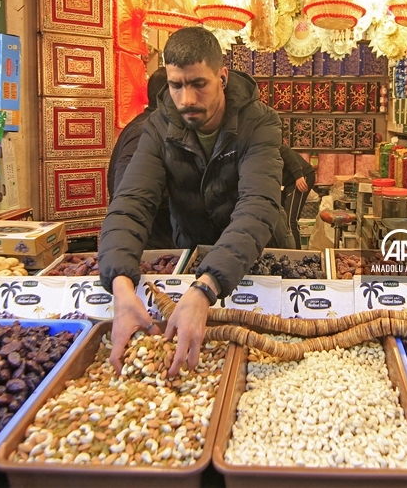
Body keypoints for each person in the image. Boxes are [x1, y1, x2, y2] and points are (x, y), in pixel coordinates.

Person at [98, 27, 288, 377]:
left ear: (222, 76)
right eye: (176, 85)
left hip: (257, 258)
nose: (186, 99)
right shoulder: (159, 127)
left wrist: (206, 287)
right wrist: (120, 287)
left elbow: (258, 205)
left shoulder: (258, 122)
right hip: (193, 258)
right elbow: (130, 203)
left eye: (198, 83)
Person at [106, 67, 173, 249]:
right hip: (151, 243)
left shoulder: (155, 125)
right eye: (179, 86)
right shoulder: (145, 131)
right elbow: (127, 193)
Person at [280, 144, 315, 249]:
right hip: (288, 183)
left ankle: (297, 255)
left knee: (290, 220)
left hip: (302, 177)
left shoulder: (269, 145)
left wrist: (298, 175)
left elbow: (286, 151)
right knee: (282, 217)